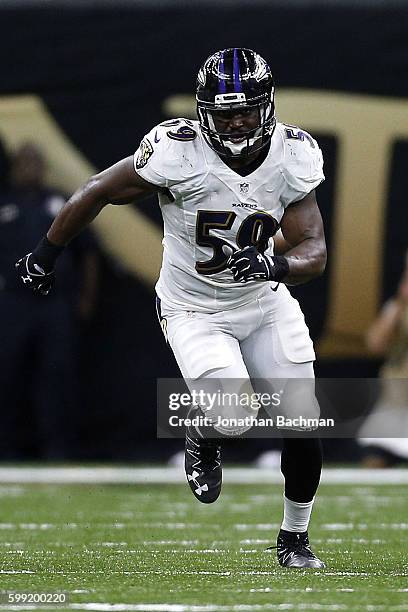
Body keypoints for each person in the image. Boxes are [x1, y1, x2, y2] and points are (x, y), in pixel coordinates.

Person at [16, 48, 327, 568]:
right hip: (194, 308)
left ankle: (294, 540)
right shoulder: (176, 151)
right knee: (232, 418)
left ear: (267, 106)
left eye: (245, 110)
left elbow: (313, 249)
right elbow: (96, 191)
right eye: (224, 112)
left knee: (302, 421)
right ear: (204, 110)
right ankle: (203, 431)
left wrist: (276, 268)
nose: (235, 122)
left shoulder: (292, 154)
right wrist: (45, 255)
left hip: (263, 301)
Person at [1, 142, 99, 458]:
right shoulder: (4, 204)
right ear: (13, 166)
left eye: (35, 161)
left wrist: (86, 297)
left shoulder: (61, 202)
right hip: (13, 303)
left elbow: (89, 253)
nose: (29, 167)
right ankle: (7, 448)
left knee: (58, 375)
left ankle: (60, 448)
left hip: (55, 303)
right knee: (7, 373)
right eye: (23, 161)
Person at [359, 251, 408, 466]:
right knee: (376, 460)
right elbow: (375, 344)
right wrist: (400, 301)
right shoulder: (399, 307)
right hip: (397, 401)